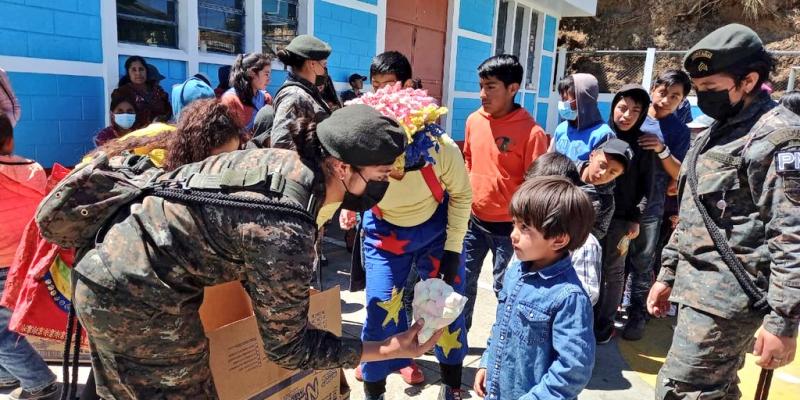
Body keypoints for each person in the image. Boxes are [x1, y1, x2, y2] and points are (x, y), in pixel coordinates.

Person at [70, 104, 445, 399]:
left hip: (111, 262)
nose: (385, 184)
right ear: (342, 167)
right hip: (134, 295)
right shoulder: (285, 228)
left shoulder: (286, 164)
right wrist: (386, 347)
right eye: (380, 175)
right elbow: (288, 349)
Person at [648, 24, 800, 399]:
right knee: (712, 390)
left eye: (711, 90)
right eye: (699, 90)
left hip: (729, 300)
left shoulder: (777, 137)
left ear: (748, 80)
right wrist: (668, 273)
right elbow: (694, 211)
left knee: (680, 391)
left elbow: (791, 234)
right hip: (695, 291)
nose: (702, 98)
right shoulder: (719, 129)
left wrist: (782, 323)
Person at [342, 81, 471, 400]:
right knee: (380, 309)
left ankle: (451, 383)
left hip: (435, 231)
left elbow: (462, 195)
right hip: (385, 233)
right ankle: (375, 391)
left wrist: (453, 250)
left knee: (446, 309)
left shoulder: (441, 149)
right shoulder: (363, 152)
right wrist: (344, 208)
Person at [474, 176, 596, 400]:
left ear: (558, 240)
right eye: (514, 224)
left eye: (524, 227)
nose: (513, 234)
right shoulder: (516, 272)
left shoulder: (569, 298)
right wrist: (486, 362)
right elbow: (501, 325)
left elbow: (573, 370)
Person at [462, 54, 549, 331]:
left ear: (513, 88)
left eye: (491, 86)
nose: (482, 94)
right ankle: (455, 341)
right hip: (473, 222)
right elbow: (468, 161)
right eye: (481, 86)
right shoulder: (474, 120)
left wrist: (521, 227)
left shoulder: (532, 132)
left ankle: (499, 345)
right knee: (462, 283)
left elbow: (536, 186)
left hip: (510, 230)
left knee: (506, 289)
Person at [0, 114, 60, 400]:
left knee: (2, 333)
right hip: (25, 260)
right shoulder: (33, 169)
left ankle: (39, 383)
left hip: (2, 263)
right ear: (10, 141)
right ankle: (6, 375)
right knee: (7, 325)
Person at [595, 84, 655, 344]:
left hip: (622, 220)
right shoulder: (602, 137)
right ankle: (585, 317)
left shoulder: (644, 145)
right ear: (613, 107)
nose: (627, 115)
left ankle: (604, 324)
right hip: (594, 216)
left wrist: (636, 218)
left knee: (614, 272)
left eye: (635, 110)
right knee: (590, 267)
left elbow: (647, 186)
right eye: (622, 108)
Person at [525, 154, 609, 305]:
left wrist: (541, 297)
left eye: (538, 194)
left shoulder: (585, 244)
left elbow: (587, 294)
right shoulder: (527, 232)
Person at [271, 35, 334, 150]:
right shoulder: (294, 95)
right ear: (312, 64)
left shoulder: (307, 92)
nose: (325, 70)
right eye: (324, 64)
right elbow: (281, 144)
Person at [550, 73, 615, 161]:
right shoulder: (561, 129)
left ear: (582, 100)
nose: (562, 104)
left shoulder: (603, 135)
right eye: (562, 99)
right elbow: (549, 160)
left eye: (566, 99)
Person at [220, 53, 272, 132]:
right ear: (252, 73)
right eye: (266, 74)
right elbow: (226, 135)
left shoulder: (265, 98)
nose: (269, 79)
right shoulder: (231, 100)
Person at [114, 56, 172, 124]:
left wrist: (162, 118)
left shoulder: (159, 93)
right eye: (156, 81)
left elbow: (168, 111)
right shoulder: (125, 95)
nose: (158, 84)